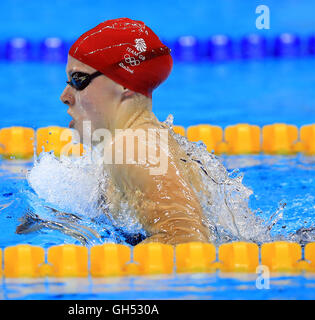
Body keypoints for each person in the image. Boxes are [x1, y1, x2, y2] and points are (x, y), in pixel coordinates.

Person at [59, 18, 210, 245]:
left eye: (78, 80)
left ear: (124, 84)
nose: (65, 96)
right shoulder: (146, 140)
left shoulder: (132, 149)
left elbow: (188, 244)